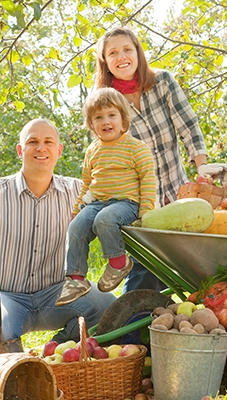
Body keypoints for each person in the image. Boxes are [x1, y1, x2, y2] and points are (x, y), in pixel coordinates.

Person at [0, 118, 116, 346]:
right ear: (20, 150)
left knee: (108, 308)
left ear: (59, 150)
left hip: (58, 293)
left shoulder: (78, 192)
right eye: (32, 141)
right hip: (6, 297)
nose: (41, 148)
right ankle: (16, 374)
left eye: (48, 142)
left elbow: (118, 203)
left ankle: (57, 350)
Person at [93, 26, 227, 292]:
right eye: (113, 53)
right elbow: (107, 154)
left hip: (176, 193)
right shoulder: (103, 102)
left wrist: (201, 164)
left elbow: (188, 125)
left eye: (127, 49)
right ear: (105, 62)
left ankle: (200, 315)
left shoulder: (163, 82)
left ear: (137, 52)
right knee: (145, 271)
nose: (121, 57)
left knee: (192, 265)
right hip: (139, 201)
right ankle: (134, 327)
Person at [55, 87, 156, 306]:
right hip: (98, 202)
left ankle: (119, 262)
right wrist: (76, 210)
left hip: (127, 203)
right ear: (91, 124)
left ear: (123, 119)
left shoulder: (136, 148)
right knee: (76, 228)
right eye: (98, 117)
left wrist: (146, 211)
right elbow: (88, 184)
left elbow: (148, 180)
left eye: (111, 115)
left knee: (105, 220)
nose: (105, 121)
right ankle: (75, 279)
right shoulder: (92, 150)